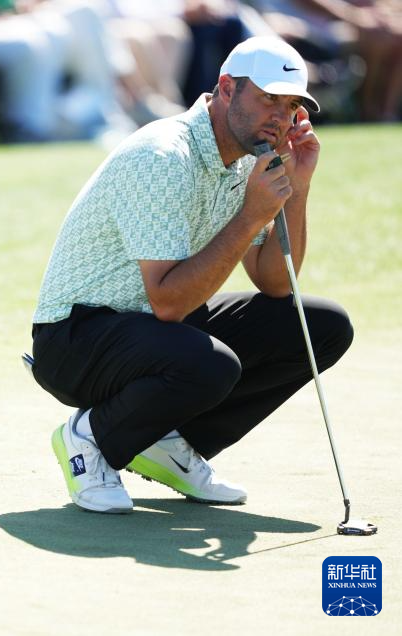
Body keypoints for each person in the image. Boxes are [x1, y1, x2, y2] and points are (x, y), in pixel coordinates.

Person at [29, 36, 353, 514]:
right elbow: (168, 302)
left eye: (290, 107)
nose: (280, 118)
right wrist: (251, 215)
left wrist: (297, 188)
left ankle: (168, 441)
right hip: (75, 340)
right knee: (210, 363)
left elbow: (276, 283)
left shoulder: (249, 157)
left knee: (320, 326)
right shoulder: (163, 156)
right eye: (268, 98)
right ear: (227, 88)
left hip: (155, 331)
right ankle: (90, 437)